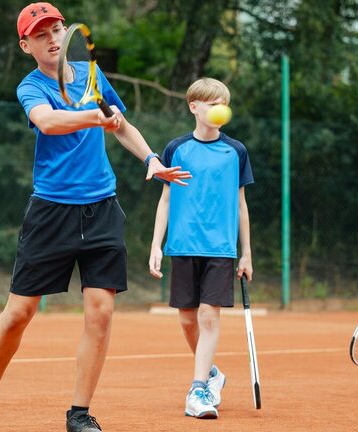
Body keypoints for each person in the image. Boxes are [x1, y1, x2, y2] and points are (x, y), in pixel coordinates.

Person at [0, 3, 191, 432]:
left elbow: (121, 124)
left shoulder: (93, 76)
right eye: (41, 35)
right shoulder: (31, 86)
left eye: (57, 29)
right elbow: (50, 122)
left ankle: (79, 413)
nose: (53, 38)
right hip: (51, 212)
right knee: (19, 313)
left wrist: (149, 157)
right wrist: (93, 116)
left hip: (102, 209)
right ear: (26, 45)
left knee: (101, 312)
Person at [148, 78, 253, 419]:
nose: (217, 108)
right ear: (194, 107)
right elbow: (165, 200)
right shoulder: (176, 149)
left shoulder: (235, 151)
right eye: (210, 102)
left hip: (220, 248)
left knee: (209, 316)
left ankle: (197, 390)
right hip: (183, 244)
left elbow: (241, 205)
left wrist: (246, 252)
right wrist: (156, 245)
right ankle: (211, 374)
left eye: (222, 102)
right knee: (187, 320)